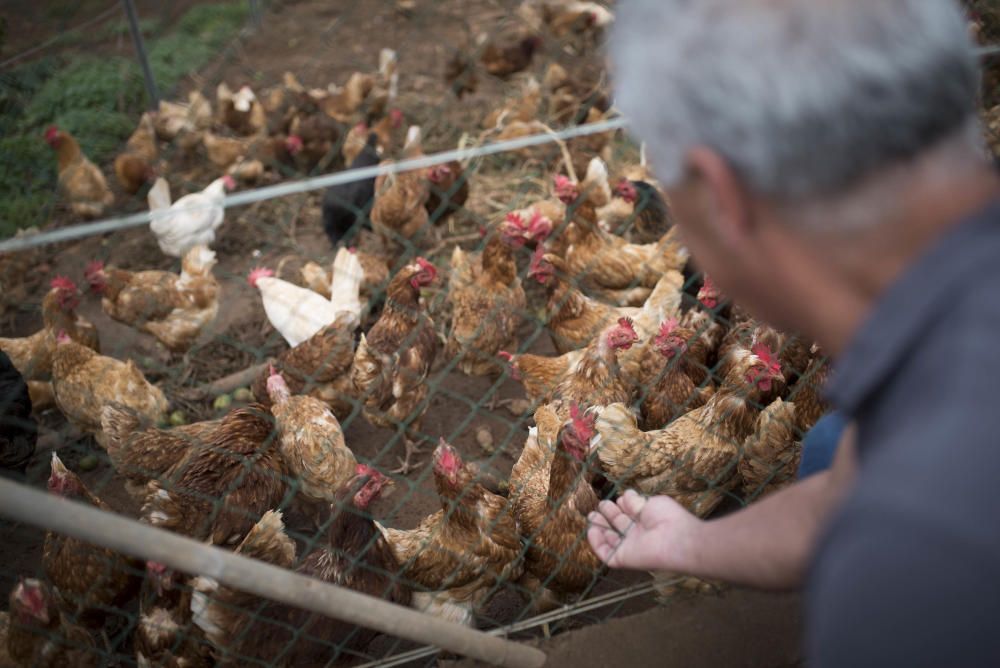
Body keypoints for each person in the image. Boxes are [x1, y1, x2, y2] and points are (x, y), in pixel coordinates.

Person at [587, 1, 1000, 665]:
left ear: (723, 197)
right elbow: (846, 490)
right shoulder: (944, 318)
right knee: (830, 444)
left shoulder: (916, 556)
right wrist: (690, 545)